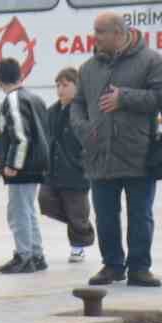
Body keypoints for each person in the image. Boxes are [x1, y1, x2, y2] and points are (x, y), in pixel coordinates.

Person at [71, 12, 162, 287]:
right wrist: (84, 129)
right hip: (99, 155)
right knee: (105, 215)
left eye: (100, 32)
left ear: (119, 33)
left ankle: (140, 267)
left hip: (138, 154)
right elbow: (77, 103)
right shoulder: (88, 68)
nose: (95, 37)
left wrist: (124, 98)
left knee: (140, 214)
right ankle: (112, 265)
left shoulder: (151, 60)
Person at [0, 58, 50, 274]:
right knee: (28, 209)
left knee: (18, 212)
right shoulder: (34, 97)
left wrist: (13, 164)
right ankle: (36, 254)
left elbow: (20, 136)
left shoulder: (13, 100)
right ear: (20, 74)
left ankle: (24, 256)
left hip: (23, 166)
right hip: (36, 164)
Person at [41, 67, 96, 262]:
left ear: (77, 87)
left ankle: (78, 245)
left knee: (76, 209)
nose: (60, 89)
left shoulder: (82, 111)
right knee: (45, 201)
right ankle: (79, 224)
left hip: (76, 172)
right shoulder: (52, 111)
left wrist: (83, 161)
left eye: (65, 85)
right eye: (58, 85)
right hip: (52, 171)